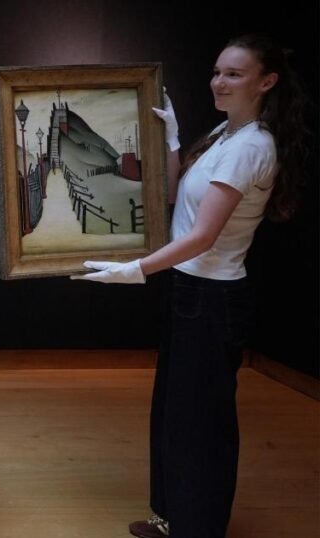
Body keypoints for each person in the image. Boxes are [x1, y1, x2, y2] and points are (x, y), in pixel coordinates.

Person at [72, 34, 307, 538]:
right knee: (174, 412)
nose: (219, 82)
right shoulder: (226, 134)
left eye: (234, 74)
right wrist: (174, 142)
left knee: (202, 422)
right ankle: (171, 517)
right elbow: (176, 195)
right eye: (217, 72)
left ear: (267, 82)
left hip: (213, 298)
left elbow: (202, 236)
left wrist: (137, 269)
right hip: (191, 291)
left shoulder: (252, 146)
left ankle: (197, 527)